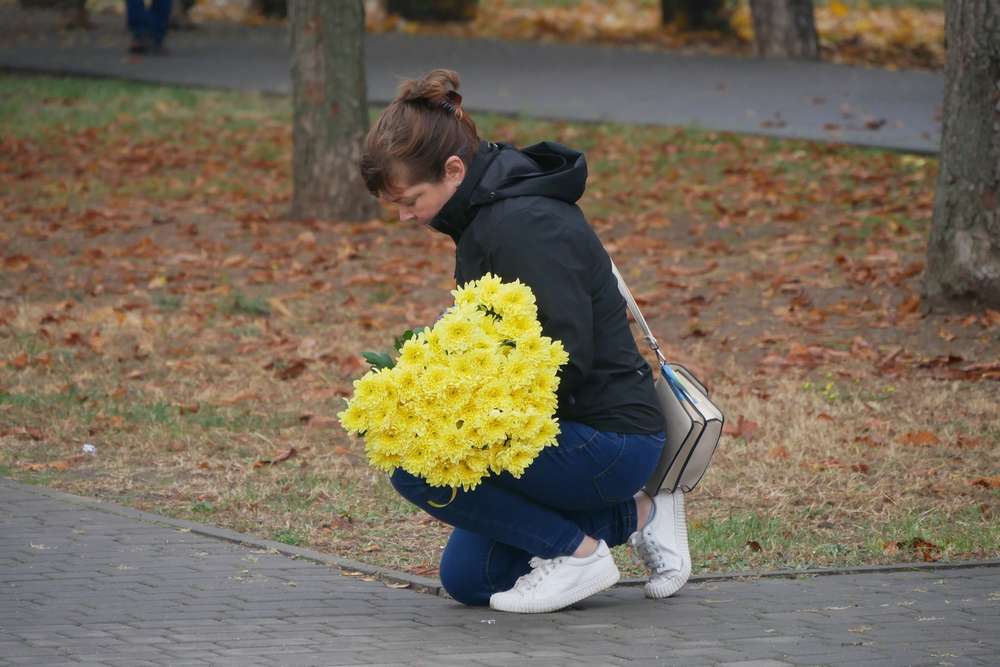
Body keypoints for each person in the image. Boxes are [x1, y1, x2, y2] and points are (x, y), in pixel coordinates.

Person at [359, 69, 691, 613]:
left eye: (410, 199)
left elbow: (566, 356)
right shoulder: (483, 217)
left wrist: (458, 419)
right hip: (557, 425)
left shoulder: (523, 222)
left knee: (418, 462)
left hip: (607, 438)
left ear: (454, 169)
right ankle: (644, 514)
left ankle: (579, 555)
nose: (403, 217)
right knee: (470, 579)